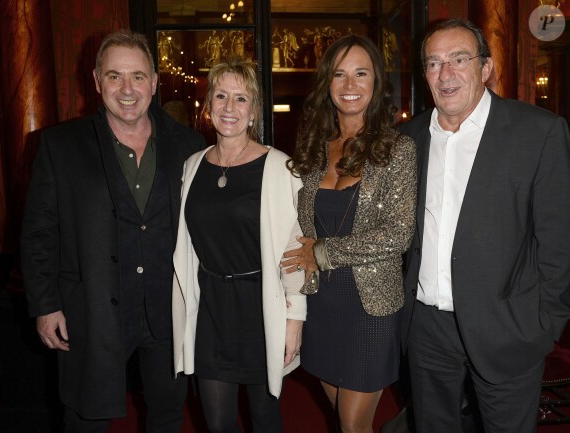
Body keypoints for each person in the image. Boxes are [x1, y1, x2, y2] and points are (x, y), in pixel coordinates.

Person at [20, 29, 205, 432]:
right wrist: (45, 304)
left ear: (154, 83)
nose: (127, 88)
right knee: (87, 416)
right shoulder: (60, 146)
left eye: (137, 76)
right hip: (91, 309)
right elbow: (39, 233)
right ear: (96, 80)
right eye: (114, 76)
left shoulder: (190, 146)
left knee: (168, 414)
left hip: (167, 311)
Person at [400, 18, 570, 433]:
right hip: (427, 329)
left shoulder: (538, 132)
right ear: (424, 74)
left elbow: (559, 240)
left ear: (487, 68)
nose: (446, 73)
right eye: (434, 63)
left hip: (508, 328)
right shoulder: (407, 139)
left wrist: (544, 326)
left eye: (459, 59)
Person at [283, 35, 417, 433]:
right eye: (339, 74)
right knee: (341, 415)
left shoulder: (397, 148)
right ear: (327, 83)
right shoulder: (312, 149)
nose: (350, 85)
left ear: (376, 82)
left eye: (361, 73)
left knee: (354, 425)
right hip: (321, 303)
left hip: (369, 308)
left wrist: (323, 252)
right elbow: (295, 222)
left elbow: (398, 233)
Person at [172, 56, 306, 433]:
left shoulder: (281, 169)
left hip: (260, 307)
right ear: (208, 106)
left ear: (254, 113)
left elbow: (295, 252)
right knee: (217, 423)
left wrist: (295, 320)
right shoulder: (193, 166)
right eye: (220, 96)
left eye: (241, 99)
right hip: (211, 309)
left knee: (264, 418)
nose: (229, 107)